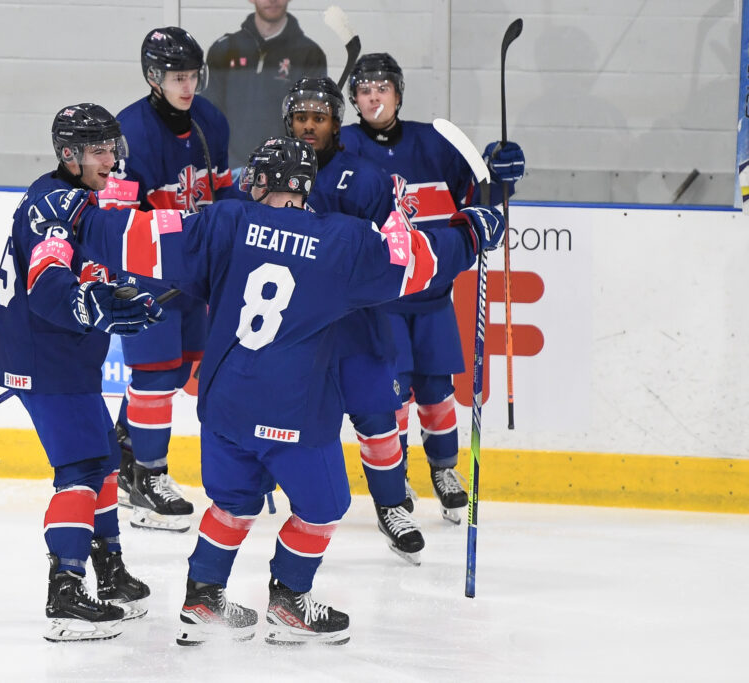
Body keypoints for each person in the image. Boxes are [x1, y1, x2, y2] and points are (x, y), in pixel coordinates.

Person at [52, 136, 505, 646]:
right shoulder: (345, 241)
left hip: (224, 409)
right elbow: (416, 262)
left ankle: (203, 596)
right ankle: (290, 600)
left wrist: (76, 216)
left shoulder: (224, 222)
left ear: (266, 180)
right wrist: (471, 233)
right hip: (296, 414)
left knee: (232, 504)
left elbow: (141, 237)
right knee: (324, 505)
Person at [0, 103, 163, 642]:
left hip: (64, 358)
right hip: (46, 359)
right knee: (83, 467)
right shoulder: (54, 203)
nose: (111, 159)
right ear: (69, 155)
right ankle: (64, 592)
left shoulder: (81, 196)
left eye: (112, 146)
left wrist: (118, 297)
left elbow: (93, 269)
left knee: (105, 460)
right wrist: (98, 307)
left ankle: (108, 571)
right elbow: (47, 286)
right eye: (97, 151)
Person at [340, 53, 526, 523]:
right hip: (381, 301)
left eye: (383, 87)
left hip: (433, 295)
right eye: (364, 90)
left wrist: (498, 177)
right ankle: (396, 477)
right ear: (354, 100)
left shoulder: (435, 142)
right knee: (392, 393)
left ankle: (444, 470)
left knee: (437, 390)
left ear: (398, 93)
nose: (374, 96)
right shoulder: (343, 148)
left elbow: (475, 199)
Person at [282, 76, 425, 563]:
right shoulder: (270, 171)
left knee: (376, 416)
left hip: (357, 324)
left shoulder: (364, 179)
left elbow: (393, 248)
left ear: (335, 123)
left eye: (318, 118)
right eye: (300, 118)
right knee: (286, 422)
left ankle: (391, 504)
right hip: (297, 330)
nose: (308, 126)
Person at [102, 26, 238, 533]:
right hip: (147, 277)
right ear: (153, 78)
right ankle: (148, 479)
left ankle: (124, 453)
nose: (187, 85)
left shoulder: (211, 122)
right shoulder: (129, 132)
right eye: (177, 76)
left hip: (195, 276)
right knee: (155, 374)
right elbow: (116, 216)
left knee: (184, 371)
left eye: (192, 75)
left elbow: (221, 197)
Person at [204, 0, 327, 167]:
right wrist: (228, 166)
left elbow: (311, 124)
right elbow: (209, 117)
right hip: (230, 174)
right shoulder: (224, 49)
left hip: (283, 173)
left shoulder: (309, 54)